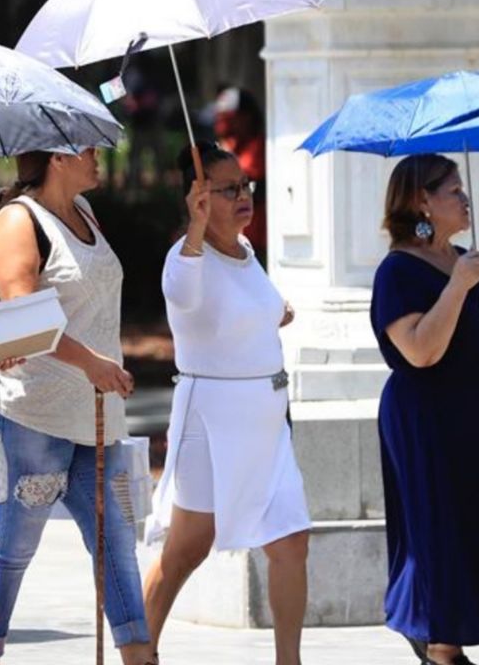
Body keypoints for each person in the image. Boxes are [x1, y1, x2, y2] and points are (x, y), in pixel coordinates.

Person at [0, 148, 154, 665]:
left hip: (97, 417)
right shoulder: (17, 220)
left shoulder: (85, 213)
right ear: (58, 156)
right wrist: (90, 364)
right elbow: (22, 314)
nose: (99, 157)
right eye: (89, 148)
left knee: (117, 548)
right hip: (37, 416)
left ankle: (139, 655)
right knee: (13, 551)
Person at [143, 142, 310, 665]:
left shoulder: (246, 252)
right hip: (211, 422)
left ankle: (290, 661)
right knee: (185, 550)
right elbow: (183, 292)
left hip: (266, 422)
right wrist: (194, 230)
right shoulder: (184, 258)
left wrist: (275, 314)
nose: (244, 196)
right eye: (229, 189)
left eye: (246, 186)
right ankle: (139, 650)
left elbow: (248, 309)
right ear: (197, 198)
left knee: (291, 538)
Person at [370, 154, 479, 665]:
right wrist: (457, 285)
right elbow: (420, 350)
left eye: (462, 188)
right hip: (429, 425)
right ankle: (441, 645)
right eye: (453, 190)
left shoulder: (462, 257)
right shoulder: (398, 271)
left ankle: (438, 636)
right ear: (422, 202)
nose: (465, 197)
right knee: (441, 537)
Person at [212, 87, 267, 261]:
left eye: (229, 119)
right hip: (229, 241)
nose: (223, 126)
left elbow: (247, 177)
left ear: (246, 117)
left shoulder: (258, 147)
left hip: (257, 239)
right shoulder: (226, 146)